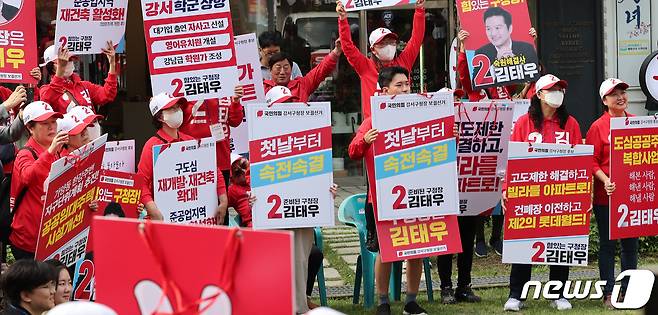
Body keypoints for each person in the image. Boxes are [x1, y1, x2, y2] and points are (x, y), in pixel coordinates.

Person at [348, 66, 427, 315]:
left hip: (417, 197)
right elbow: (352, 151)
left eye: (407, 85)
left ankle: (411, 301)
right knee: (387, 251)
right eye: (399, 85)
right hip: (383, 200)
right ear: (384, 90)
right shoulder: (372, 122)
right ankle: (383, 301)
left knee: (416, 250)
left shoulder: (422, 117)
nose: (405, 89)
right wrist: (365, 140)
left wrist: (451, 134)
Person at [503, 74, 581, 312]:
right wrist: (507, 190)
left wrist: (581, 195)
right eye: (551, 89)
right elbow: (512, 159)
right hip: (529, 192)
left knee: (559, 244)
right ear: (538, 94)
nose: (557, 93)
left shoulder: (571, 124)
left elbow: (580, 160)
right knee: (524, 244)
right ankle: (517, 294)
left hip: (561, 193)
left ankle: (558, 293)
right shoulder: (524, 123)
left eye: (560, 89)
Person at [228, 152, 325, 310]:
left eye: (242, 164)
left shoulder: (264, 176)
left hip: (286, 227)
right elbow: (221, 204)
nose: (240, 169)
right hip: (259, 234)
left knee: (314, 254)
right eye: (235, 169)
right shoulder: (233, 190)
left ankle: (303, 297)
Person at [137, 93, 227, 223]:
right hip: (165, 220)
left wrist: (223, 200)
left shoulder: (189, 140)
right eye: (172, 108)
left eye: (178, 107)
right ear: (160, 116)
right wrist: (153, 210)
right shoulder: (152, 146)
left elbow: (213, 169)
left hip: (193, 220)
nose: (178, 111)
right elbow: (141, 182)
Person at [586, 78, 637, 309]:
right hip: (605, 196)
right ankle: (608, 292)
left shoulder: (638, 123)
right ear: (605, 100)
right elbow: (592, 161)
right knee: (608, 245)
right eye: (614, 94)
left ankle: (629, 290)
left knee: (630, 245)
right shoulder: (598, 126)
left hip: (631, 195)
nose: (621, 97)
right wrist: (605, 180)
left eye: (623, 93)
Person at [336, 0, 425, 118]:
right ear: (373, 49)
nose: (388, 46)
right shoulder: (365, 67)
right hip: (374, 127)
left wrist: (419, 10)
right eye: (383, 43)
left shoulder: (404, 62)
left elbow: (416, 39)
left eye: (391, 42)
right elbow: (347, 47)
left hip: (403, 121)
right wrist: (343, 20)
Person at [179, 86, 244, 224]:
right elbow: (175, 121)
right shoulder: (186, 93)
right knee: (195, 207)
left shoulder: (227, 93)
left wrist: (236, 101)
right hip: (192, 161)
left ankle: (222, 241)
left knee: (221, 207)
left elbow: (235, 121)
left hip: (221, 159)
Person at [8, 101, 65, 260]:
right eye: (45, 123)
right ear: (30, 128)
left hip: (52, 237)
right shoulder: (25, 153)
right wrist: (51, 151)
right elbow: (28, 176)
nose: (52, 127)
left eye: (54, 122)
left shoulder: (57, 150)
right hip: (29, 241)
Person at [39, 42, 117, 114]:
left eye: (71, 60)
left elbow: (108, 94)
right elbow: (46, 104)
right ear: (51, 66)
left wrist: (112, 63)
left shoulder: (85, 85)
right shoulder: (46, 90)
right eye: (64, 61)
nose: (69, 62)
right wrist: (60, 71)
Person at [263, 38, 341, 102]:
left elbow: (321, 70)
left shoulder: (302, 85)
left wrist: (336, 51)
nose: (282, 72)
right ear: (270, 69)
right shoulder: (262, 89)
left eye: (286, 68)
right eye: (278, 68)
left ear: (291, 69)